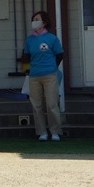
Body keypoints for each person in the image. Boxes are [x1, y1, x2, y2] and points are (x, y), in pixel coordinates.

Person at [24, 11, 64, 141]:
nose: (34, 21)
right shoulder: (30, 40)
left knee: (52, 104)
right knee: (36, 105)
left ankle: (55, 131)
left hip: (50, 75)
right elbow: (27, 56)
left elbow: (59, 55)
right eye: (33, 19)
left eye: (36, 19)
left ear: (44, 22)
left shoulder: (52, 38)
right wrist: (28, 71)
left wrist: (52, 67)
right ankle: (42, 132)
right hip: (34, 76)